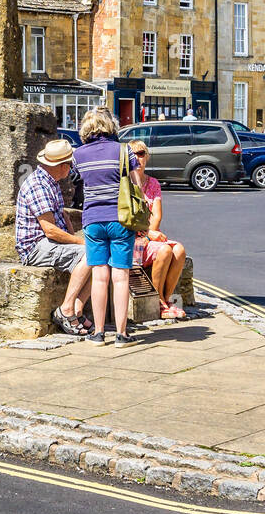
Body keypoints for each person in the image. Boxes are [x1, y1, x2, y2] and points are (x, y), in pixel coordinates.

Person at [71, 106, 144, 344]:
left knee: (99, 277)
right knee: (121, 276)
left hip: (92, 219)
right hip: (121, 218)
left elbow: (78, 184)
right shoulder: (124, 151)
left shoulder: (78, 155)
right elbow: (137, 187)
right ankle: (122, 334)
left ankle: (99, 332)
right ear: (110, 126)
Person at [15, 138, 91, 336]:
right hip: (35, 247)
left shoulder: (51, 182)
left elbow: (62, 216)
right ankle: (66, 310)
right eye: (70, 164)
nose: (72, 168)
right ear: (62, 166)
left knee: (99, 253)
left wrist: (73, 236)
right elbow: (49, 230)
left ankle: (76, 310)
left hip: (48, 242)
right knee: (90, 253)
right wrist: (80, 241)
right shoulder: (38, 185)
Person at [129, 140, 187, 319]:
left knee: (179, 249)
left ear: (147, 157)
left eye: (141, 154)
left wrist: (150, 235)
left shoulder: (152, 183)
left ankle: (166, 298)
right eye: (133, 155)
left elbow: (157, 215)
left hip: (148, 236)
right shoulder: (124, 184)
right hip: (131, 238)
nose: (137, 158)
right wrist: (147, 234)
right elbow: (126, 218)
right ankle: (159, 302)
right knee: (164, 250)